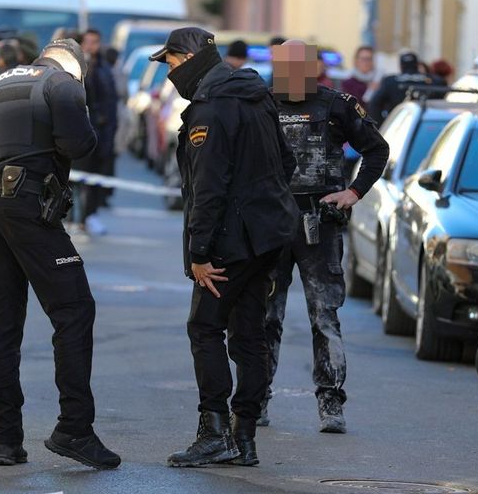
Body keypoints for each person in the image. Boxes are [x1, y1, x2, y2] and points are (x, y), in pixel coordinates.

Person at [0, 39, 121, 470]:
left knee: (4, 324)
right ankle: (75, 429)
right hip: (29, 207)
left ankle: (6, 439)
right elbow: (80, 145)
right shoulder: (62, 84)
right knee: (74, 310)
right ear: (76, 67)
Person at [149, 27, 297, 468]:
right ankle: (244, 437)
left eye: (172, 64)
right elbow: (285, 163)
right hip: (267, 237)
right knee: (249, 335)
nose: (171, 74)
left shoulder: (210, 109)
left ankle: (214, 432)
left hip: (231, 241)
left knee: (205, 328)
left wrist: (199, 254)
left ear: (190, 58)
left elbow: (208, 188)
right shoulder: (256, 94)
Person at [264, 40, 389, 433]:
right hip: (272, 223)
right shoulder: (262, 103)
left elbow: (377, 150)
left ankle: (331, 404)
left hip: (320, 221)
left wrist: (353, 192)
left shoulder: (336, 104)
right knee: (265, 316)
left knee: (325, 316)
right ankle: (256, 399)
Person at [76, 28, 119, 236]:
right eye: (88, 41)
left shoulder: (103, 67)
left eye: (95, 42)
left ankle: (88, 216)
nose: (91, 46)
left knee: (94, 179)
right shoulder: (78, 68)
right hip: (83, 133)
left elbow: (110, 101)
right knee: (77, 181)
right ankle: (78, 218)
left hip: (101, 134)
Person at [368, 51, 433, 126]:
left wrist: (381, 126)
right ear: (417, 65)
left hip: (397, 126)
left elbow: (374, 104)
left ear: (400, 66)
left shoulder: (390, 81)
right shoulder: (433, 80)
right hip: (427, 125)